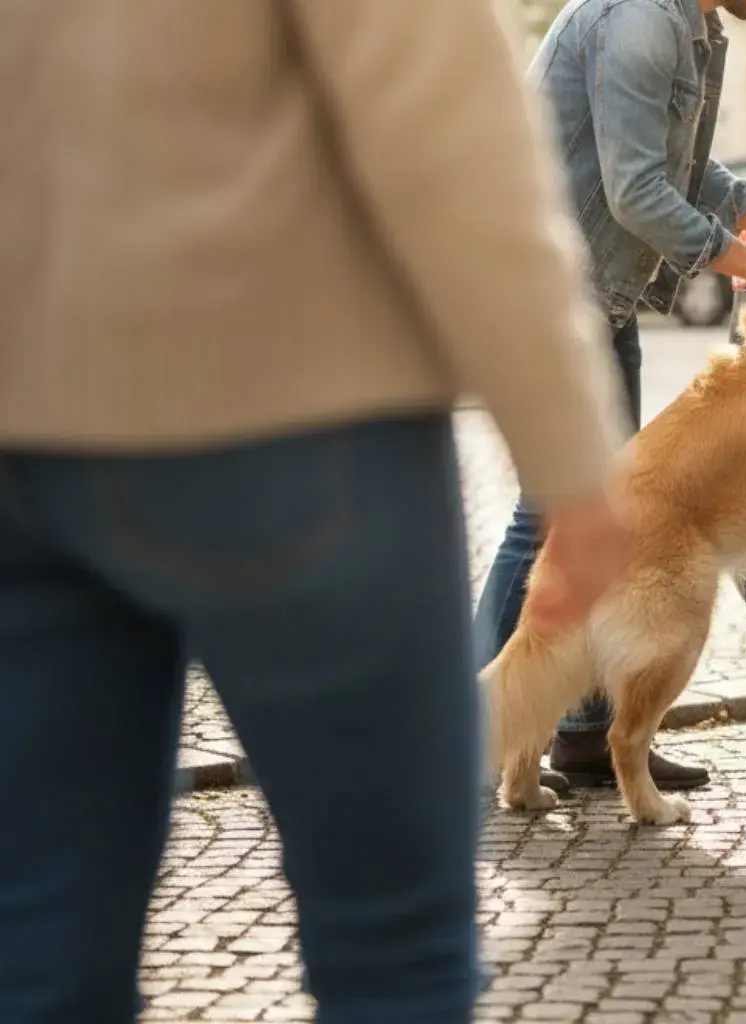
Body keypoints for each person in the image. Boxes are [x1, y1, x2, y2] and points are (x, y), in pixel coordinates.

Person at [0, 2, 631, 1021]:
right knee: (392, 945)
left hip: (20, 437)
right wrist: (573, 465)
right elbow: (452, 144)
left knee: (34, 957)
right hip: (287, 416)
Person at [477, 0, 746, 795]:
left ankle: (572, 729)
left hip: (600, 295)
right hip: (554, 297)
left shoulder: (694, 26)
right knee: (550, 515)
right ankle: (478, 734)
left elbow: (686, 168)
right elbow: (637, 189)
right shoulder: (638, 18)